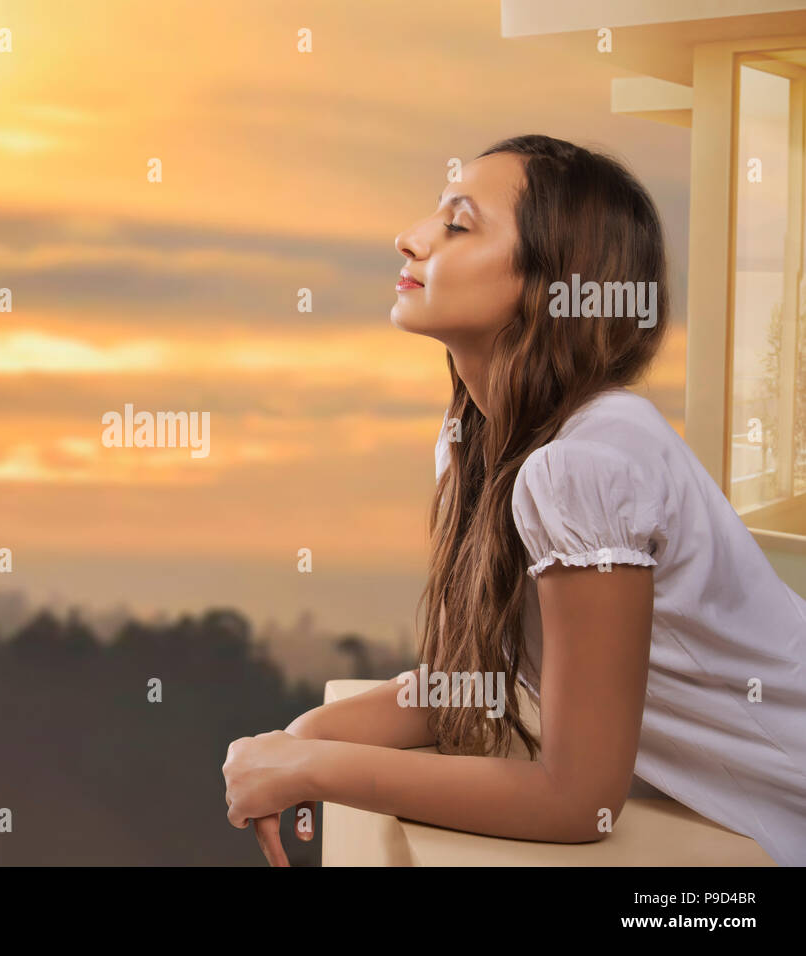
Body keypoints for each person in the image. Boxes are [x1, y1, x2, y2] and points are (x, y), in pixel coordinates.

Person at [222, 134, 806, 866]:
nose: (408, 239)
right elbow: (477, 683)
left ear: (551, 282)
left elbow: (579, 801)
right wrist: (305, 736)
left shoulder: (587, 465)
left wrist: (314, 769)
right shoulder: (479, 442)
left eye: (457, 225)